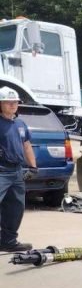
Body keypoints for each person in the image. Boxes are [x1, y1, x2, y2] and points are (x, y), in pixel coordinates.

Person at [0, 87, 36, 253]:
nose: (13, 105)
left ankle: (8, 241)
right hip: (2, 171)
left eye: (15, 102)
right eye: (9, 102)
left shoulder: (20, 124)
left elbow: (27, 146)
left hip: (17, 172)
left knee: (16, 208)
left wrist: (33, 167)